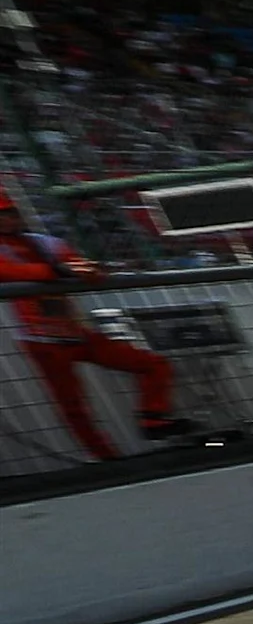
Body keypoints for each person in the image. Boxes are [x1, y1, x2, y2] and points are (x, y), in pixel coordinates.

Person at [0, 188, 184, 461]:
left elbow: (82, 268)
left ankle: (153, 418)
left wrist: (82, 270)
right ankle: (107, 459)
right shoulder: (35, 246)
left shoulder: (43, 242)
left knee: (153, 364)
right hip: (42, 340)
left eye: (10, 212)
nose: (10, 218)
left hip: (74, 333)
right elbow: (12, 272)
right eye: (4, 214)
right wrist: (61, 271)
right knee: (74, 407)